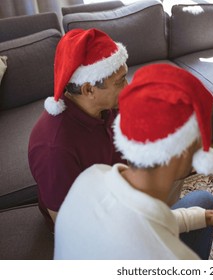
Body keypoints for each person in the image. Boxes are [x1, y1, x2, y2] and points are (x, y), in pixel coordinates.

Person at [54, 64, 213, 260]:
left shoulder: (92, 175)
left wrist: (208, 217)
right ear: (181, 151)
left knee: (204, 201)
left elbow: (148, 220)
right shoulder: (169, 258)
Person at [28, 28, 129, 231]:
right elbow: (69, 226)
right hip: (92, 225)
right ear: (88, 90)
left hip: (121, 195)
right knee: (201, 203)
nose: (128, 86)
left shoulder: (108, 109)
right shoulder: (55, 148)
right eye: (120, 82)